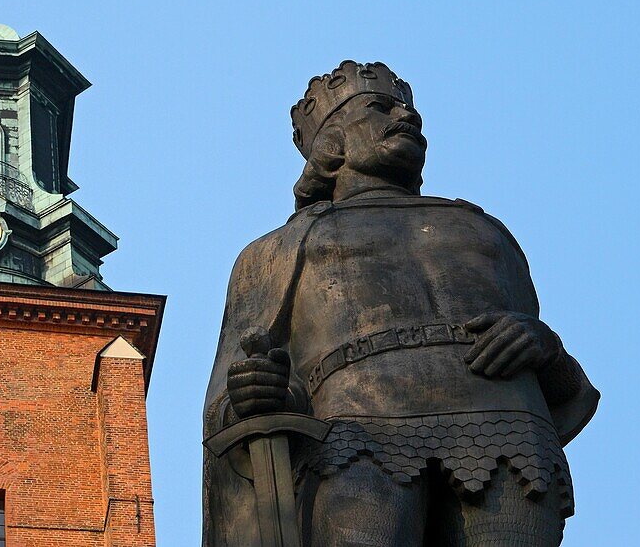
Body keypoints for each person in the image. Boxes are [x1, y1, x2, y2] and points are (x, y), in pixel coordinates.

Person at [203, 61, 599, 547]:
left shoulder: (484, 230)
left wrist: (545, 347)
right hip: (359, 433)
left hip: (505, 427)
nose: (406, 117)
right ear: (332, 146)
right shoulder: (277, 249)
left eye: (409, 109)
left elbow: (559, 379)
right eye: (380, 107)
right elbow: (232, 389)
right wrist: (256, 393)